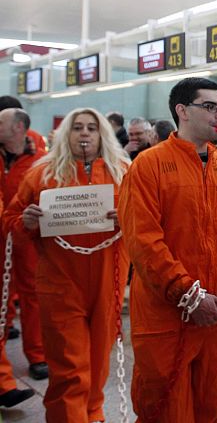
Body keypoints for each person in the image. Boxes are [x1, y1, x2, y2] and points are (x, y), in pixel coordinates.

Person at [118, 77, 217, 422]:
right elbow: (144, 242)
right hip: (165, 317)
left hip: (216, 317)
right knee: (165, 409)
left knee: (209, 406)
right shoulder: (148, 166)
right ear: (182, 111)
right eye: (209, 106)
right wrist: (188, 294)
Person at [4, 108, 130, 421]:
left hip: (109, 280)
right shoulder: (42, 174)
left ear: (102, 134)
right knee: (69, 365)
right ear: (65, 134)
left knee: (99, 360)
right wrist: (26, 221)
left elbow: (152, 219)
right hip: (60, 282)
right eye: (77, 127)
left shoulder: (125, 173)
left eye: (91, 128)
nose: (84, 133)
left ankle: (93, 412)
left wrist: (130, 218)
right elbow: (11, 219)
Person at [0, 108, 48, 380]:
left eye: (1, 122)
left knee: (33, 294)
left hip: (28, 235)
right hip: (2, 234)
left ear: (18, 127)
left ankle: (38, 355)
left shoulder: (41, 161)